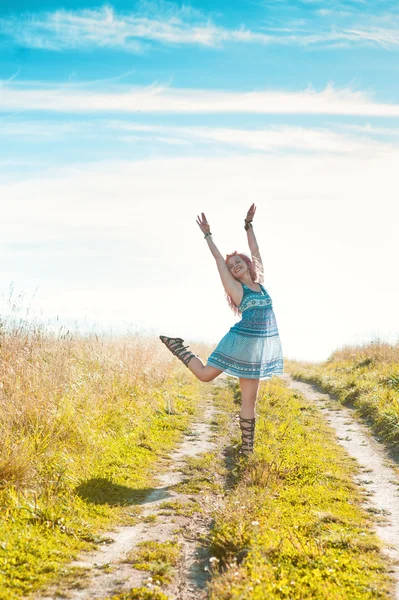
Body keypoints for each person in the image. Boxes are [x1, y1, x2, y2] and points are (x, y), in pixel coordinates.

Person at [160, 204, 284, 456]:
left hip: (255, 350)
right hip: (239, 342)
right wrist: (208, 235)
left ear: (248, 265)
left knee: (250, 400)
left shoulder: (260, 284)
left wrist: (248, 224)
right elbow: (218, 259)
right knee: (205, 375)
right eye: (231, 266)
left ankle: (247, 451)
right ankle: (177, 346)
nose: (234, 266)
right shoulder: (238, 291)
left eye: (238, 262)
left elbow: (256, 250)